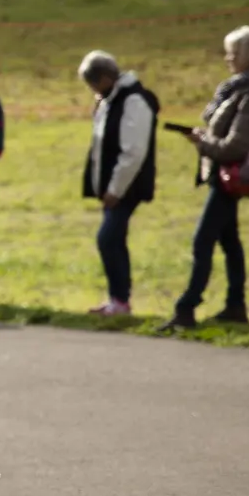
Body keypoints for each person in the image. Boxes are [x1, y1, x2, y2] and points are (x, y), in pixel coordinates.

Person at [162, 26, 249, 331]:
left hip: (229, 176)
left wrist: (202, 143)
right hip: (223, 174)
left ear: (248, 56)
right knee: (229, 241)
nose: (227, 58)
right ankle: (235, 305)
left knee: (202, 241)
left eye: (233, 52)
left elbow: (236, 145)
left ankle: (186, 308)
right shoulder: (237, 89)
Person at [78, 51, 158, 317]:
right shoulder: (109, 100)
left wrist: (115, 189)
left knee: (107, 238)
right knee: (114, 239)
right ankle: (118, 299)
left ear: (104, 78)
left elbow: (133, 151)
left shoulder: (133, 101)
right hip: (113, 184)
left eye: (93, 84)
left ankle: (120, 300)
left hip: (127, 185)